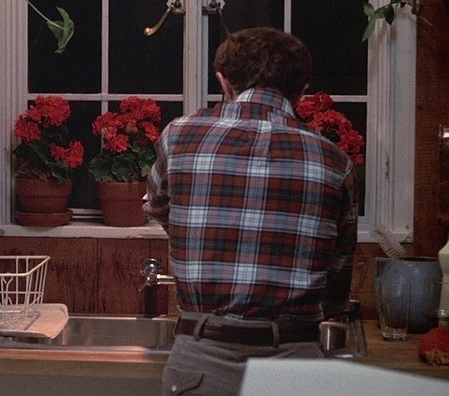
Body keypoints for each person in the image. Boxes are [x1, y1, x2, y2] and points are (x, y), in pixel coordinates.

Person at [143, 27, 358, 395]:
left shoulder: (179, 137)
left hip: (202, 359)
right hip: (294, 365)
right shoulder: (335, 161)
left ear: (223, 82)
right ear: (301, 91)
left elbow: (159, 205)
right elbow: (337, 280)